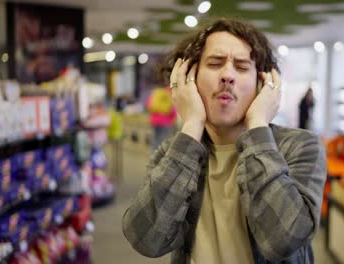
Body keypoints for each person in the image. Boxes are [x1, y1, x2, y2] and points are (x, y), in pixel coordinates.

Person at [122, 18, 327, 264]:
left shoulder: (300, 146)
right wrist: (192, 125)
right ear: (190, 78)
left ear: (263, 84)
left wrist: (257, 126)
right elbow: (146, 239)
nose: (228, 75)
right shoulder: (173, 153)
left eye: (241, 67)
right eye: (215, 63)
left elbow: (284, 241)